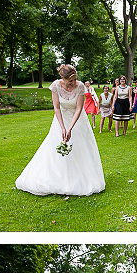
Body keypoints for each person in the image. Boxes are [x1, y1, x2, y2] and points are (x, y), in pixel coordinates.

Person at [15, 64, 106, 198]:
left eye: (75, 79)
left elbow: (79, 109)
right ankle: (59, 179)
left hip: (78, 121)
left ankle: (82, 178)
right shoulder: (56, 86)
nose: (74, 83)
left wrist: (70, 128)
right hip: (60, 120)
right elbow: (57, 108)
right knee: (57, 150)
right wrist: (63, 127)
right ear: (62, 78)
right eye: (70, 81)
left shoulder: (80, 86)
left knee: (80, 149)